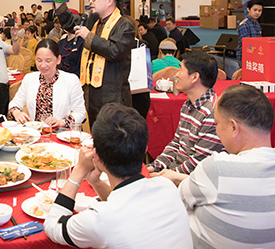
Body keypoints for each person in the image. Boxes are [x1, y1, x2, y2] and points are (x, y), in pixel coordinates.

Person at [44, 103, 192, 248]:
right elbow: (124, 204)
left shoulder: (99, 220)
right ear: (145, 149)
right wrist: (95, 181)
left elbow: (52, 226)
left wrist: (79, 171)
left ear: (96, 155)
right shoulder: (167, 187)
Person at [175, 84, 275, 248]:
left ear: (233, 127)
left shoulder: (217, 168)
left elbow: (178, 200)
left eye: (217, 124)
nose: (217, 132)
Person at [55, 0, 135, 127]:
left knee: (112, 137)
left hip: (113, 98)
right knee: (95, 135)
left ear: (110, 0)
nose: (91, 2)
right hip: (91, 95)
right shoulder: (92, 21)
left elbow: (115, 51)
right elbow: (69, 22)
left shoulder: (124, 26)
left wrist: (89, 36)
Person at [148, 51, 224, 175]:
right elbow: (176, 142)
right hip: (179, 169)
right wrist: (155, 166)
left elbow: (200, 163)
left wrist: (165, 175)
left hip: (195, 177)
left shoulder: (212, 113)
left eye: (181, 70)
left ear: (194, 77)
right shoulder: (188, 104)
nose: (176, 75)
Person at [8, 38, 86, 127]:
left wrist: (61, 122)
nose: (43, 65)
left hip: (61, 132)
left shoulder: (71, 80)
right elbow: (15, 103)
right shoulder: (29, 78)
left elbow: (80, 112)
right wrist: (16, 112)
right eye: (39, 60)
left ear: (58, 59)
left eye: (48, 61)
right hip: (35, 132)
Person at [236, 0, 263, 65]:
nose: (257, 13)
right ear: (248, 9)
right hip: (246, 56)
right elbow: (247, 44)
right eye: (255, 10)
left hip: (256, 55)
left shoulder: (257, 24)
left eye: (260, 10)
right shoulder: (244, 25)